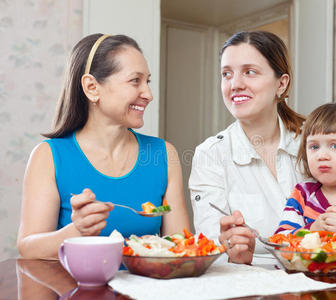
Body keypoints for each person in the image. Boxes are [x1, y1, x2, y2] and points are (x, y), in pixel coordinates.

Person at [17, 34, 190, 259]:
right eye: (135, 80)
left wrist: (160, 246)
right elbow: (28, 248)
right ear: (92, 87)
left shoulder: (164, 154)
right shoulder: (49, 156)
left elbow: (183, 246)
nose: (148, 94)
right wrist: (77, 230)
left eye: (147, 81)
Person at [189, 31, 306, 264]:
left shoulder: (313, 144)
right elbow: (211, 247)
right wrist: (233, 251)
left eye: (249, 72)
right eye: (226, 74)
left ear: (281, 84)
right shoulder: (210, 155)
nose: (235, 85)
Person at [275, 103, 336, 245]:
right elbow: (280, 241)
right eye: (314, 147)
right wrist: (312, 230)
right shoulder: (302, 194)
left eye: (335, 146)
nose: (321, 155)